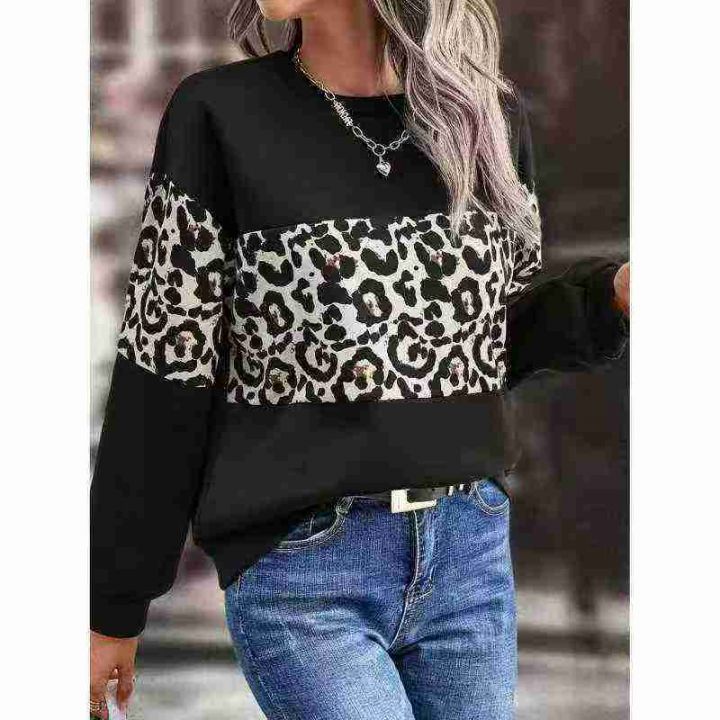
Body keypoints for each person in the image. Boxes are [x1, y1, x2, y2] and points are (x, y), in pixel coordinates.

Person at [90, 1, 630, 718]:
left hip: (468, 554)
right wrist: (113, 604)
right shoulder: (220, 114)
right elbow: (165, 367)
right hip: (306, 569)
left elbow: (479, 347)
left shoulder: (485, 118)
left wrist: (608, 299)